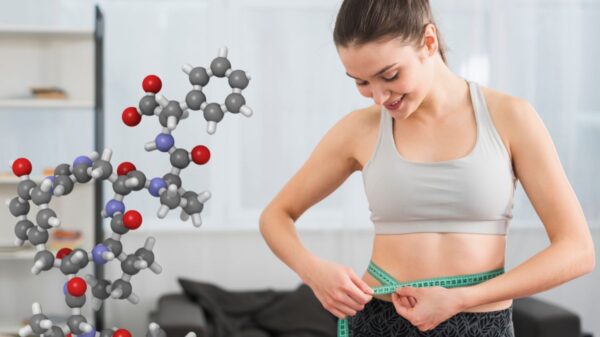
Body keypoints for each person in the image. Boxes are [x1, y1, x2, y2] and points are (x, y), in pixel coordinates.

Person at [259, 0, 595, 336]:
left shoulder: (510, 118)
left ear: (429, 42)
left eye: (389, 75)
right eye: (361, 82)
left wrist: (462, 298)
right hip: (380, 322)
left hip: (481, 323)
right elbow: (276, 215)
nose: (378, 97)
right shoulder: (359, 129)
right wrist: (314, 272)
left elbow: (577, 250)